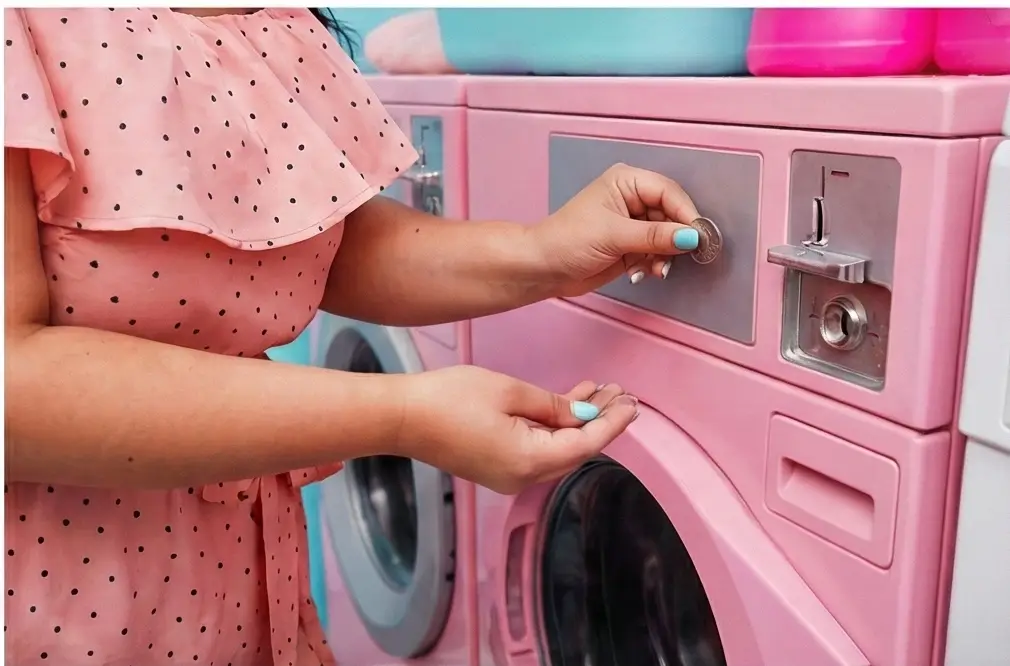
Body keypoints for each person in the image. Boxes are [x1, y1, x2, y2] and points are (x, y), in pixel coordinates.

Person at [3, 7, 703, 665]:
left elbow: (317, 246)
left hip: (248, 585)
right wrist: (403, 417)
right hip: (64, 603)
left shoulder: (272, 19)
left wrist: (544, 252)